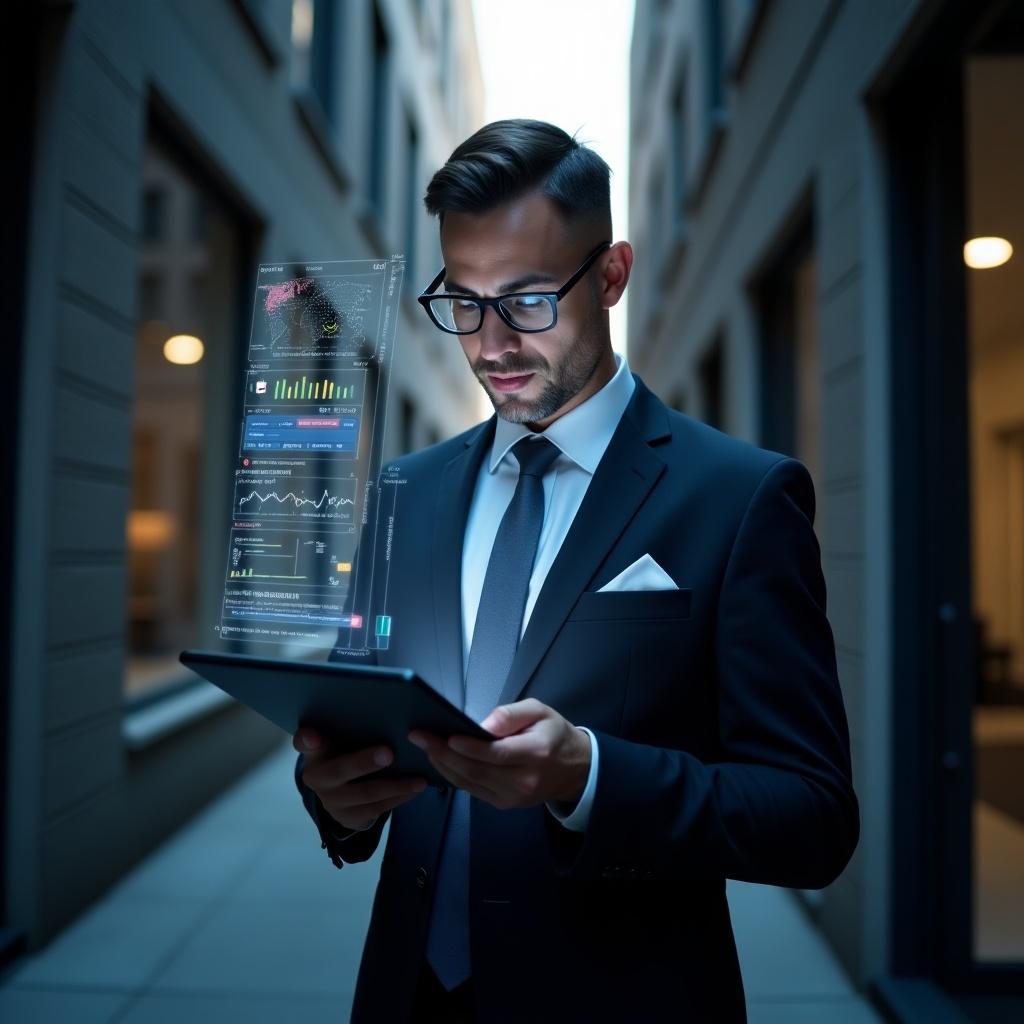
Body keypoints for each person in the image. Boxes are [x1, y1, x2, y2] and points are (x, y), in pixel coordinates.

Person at [293, 119, 858, 1023]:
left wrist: (588, 776)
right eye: (464, 302)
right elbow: (358, 733)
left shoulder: (741, 498)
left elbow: (812, 815)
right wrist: (337, 802)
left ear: (611, 276)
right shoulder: (407, 489)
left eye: (525, 301)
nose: (489, 344)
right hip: (408, 997)